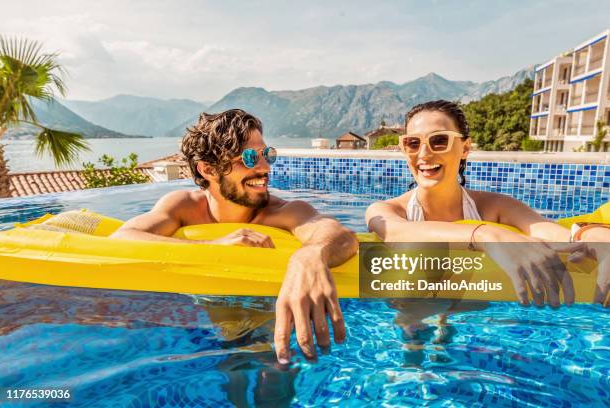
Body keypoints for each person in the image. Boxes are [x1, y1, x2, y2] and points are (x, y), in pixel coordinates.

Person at [111, 109, 359, 363]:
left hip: (271, 326)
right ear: (208, 169)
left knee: (273, 374)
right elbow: (123, 237)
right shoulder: (183, 206)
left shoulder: (284, 212)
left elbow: (340, 235)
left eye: (267, 155)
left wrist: (309, 256)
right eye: (249, 158)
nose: (264, 168)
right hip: (203, 321)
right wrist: (215, 246)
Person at [366, 100, 609, 306]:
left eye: (439, 141)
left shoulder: (495, 207)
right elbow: (396, 231)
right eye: (413, 143)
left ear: (465, 148)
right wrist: (487, 235)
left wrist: (590, 235)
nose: (424, 154)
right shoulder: (387, 210)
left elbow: (546, 230)